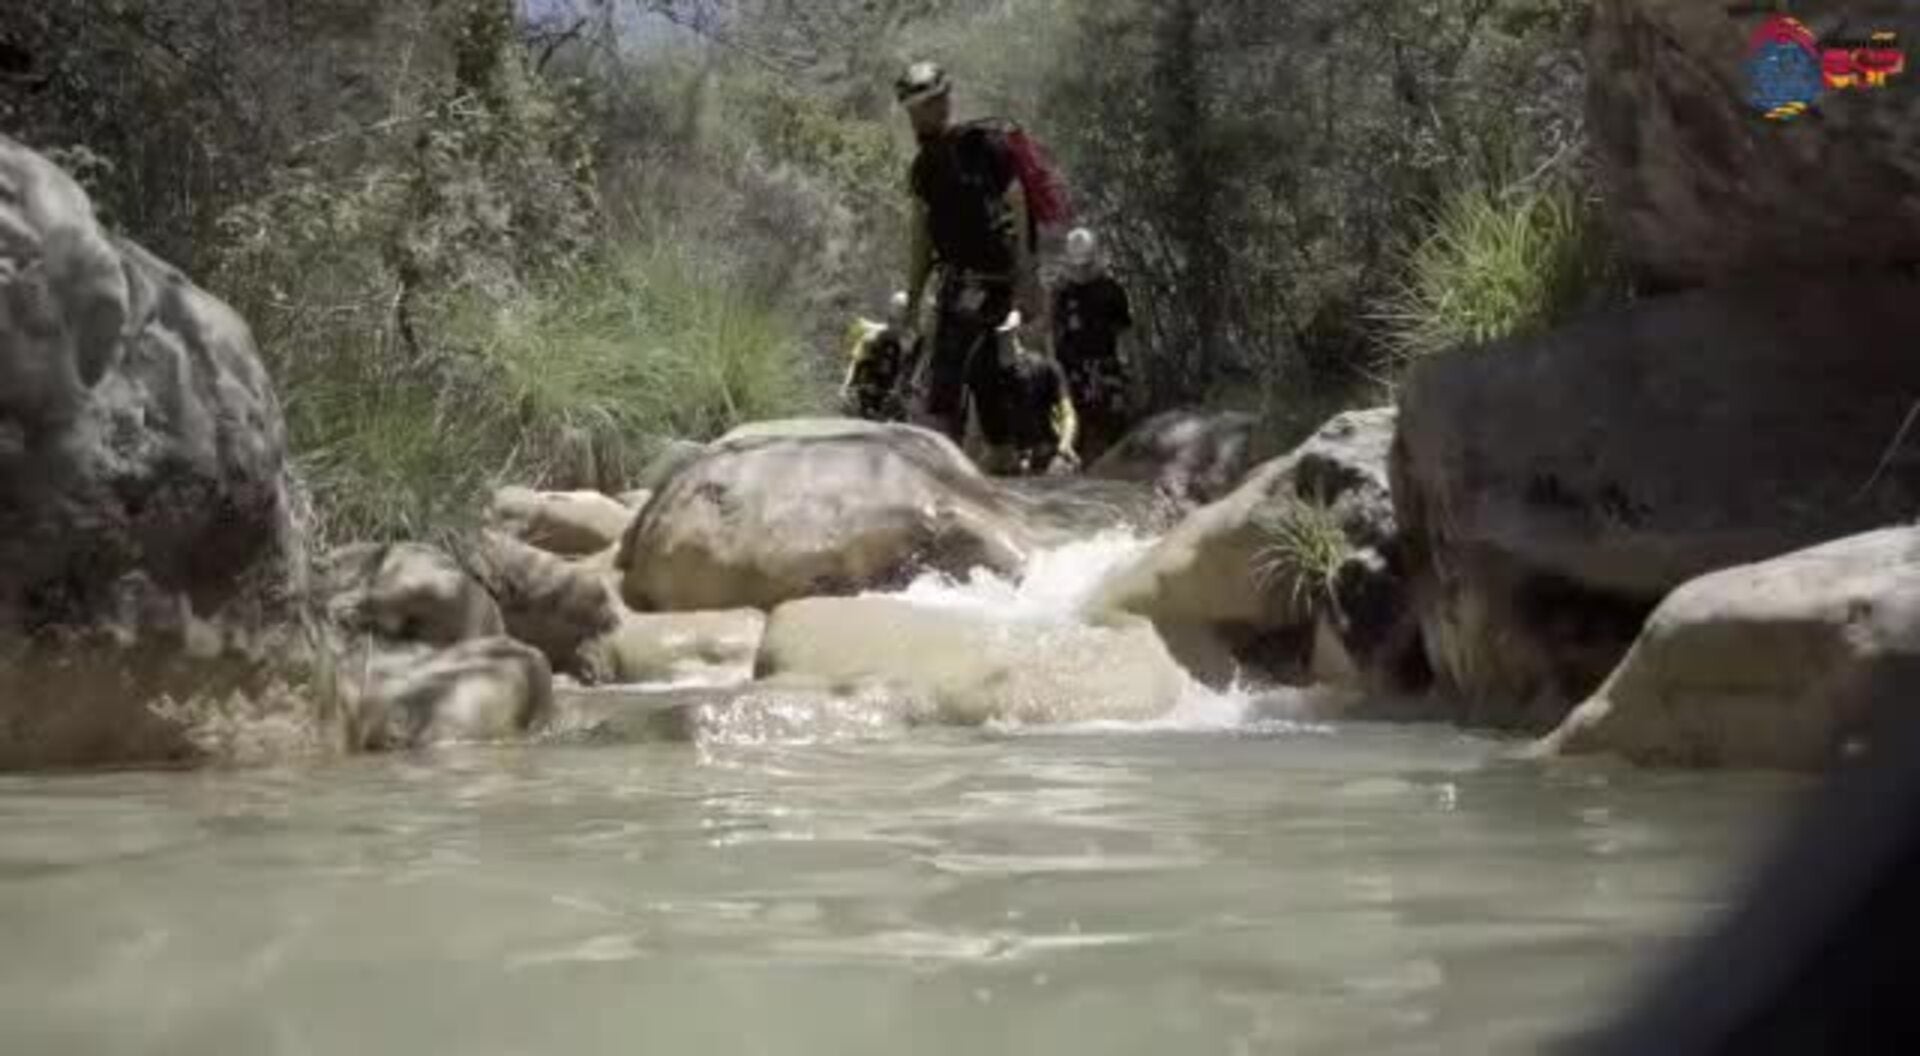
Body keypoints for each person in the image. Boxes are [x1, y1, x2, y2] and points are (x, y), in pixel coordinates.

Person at [895, 60, 1047, 449]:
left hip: (997, 281)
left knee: (980, 373)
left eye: (928, 104)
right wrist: (912, 302)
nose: (921, 115)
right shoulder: (922, 169)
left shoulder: (986, 145)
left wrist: (1029, 277)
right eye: (915, 109)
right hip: (955, 283)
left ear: (945, 100)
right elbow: (919, 240)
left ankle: (1015, 448)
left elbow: (1018, 204)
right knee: (957, 383)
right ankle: (980, 458)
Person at [1051, 226, 1136, 464]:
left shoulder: (1112, 290)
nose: (1081, 271)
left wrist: (1130, 367)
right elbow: (1054, 331)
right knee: (1073, 427)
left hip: (1106, 367)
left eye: (1085, 265)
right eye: (1077, 266)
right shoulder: (1063, 293)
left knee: (1111, 424)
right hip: (1071, 370)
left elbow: (1125, 331)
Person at [976, 311, 1079, 477]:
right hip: (1009, 456)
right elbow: (983, 423)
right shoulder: (984, 373)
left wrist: (1063, 449)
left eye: (1008, 335)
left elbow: (1068, 415)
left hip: (1045, 452)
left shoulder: (1046, 368)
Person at [839, 290, 920, 422]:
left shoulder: (909, 340)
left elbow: (909, 370)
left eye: (902, 308)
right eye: (898, 308)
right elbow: (857, 361)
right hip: (873, 389)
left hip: (891, 392)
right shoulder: (873, 336)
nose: (900, 312)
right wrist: (846, 386)